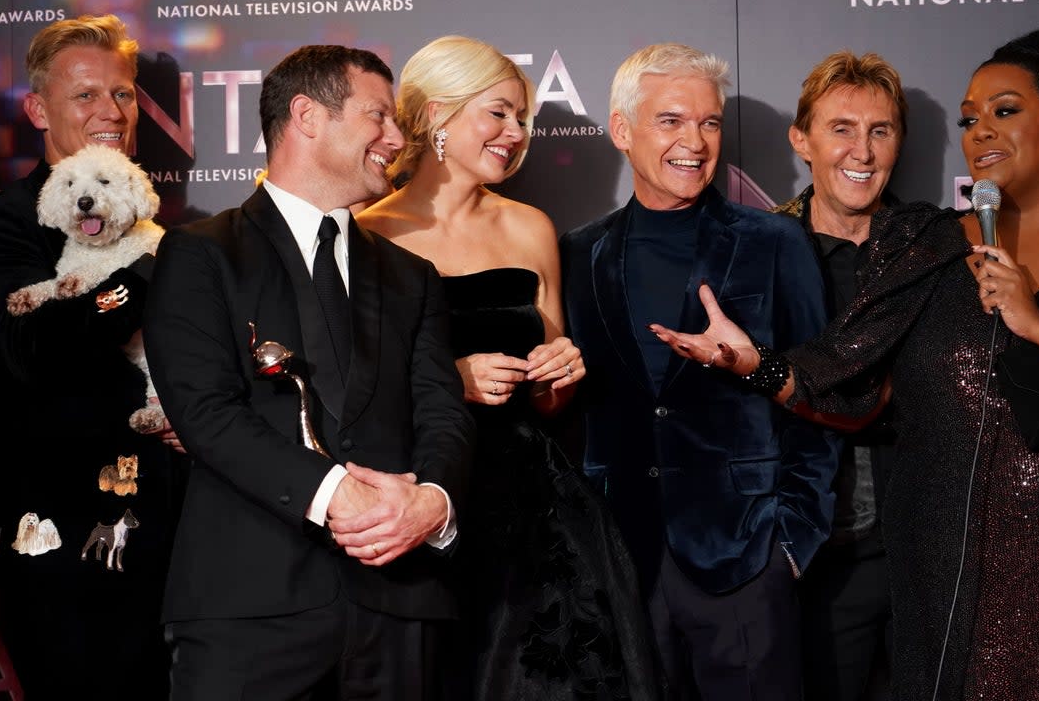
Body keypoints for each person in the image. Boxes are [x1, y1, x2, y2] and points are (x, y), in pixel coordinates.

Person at [650, 29, 1039, 701]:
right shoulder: (928, 243)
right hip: (955, 575)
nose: (980, 131)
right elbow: (853, 386)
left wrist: (1038, 323)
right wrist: (755, 365)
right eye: (968, 118)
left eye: (1004, 110)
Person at [142, 44, 474, 699]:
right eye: (378, 116)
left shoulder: (413, 278)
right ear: (307, 116)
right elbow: (204, 412)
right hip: (246, 610)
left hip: (398, 605)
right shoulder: (201, 254)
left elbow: (443, 412)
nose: (397, 139)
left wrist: (432, 505)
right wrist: (334, 494)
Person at [357, 34, 663, 700]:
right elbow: (353, 390)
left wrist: (561, 374)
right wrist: (453, 379)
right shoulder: (371, 235)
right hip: (431, 502)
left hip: (539, 513)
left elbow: (552, 406)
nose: (515, 133)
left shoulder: (530, 227)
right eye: (498, 113)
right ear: (438, 113)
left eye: (522, 117)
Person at [559, 42, 839, 699]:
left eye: (710, 123)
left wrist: (791, 541)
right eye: (672, 121)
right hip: (622, 561)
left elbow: (821, 394)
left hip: (745, 558)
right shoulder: (578, 253)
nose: (696, 141)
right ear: (622, 130)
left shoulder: (776, 242)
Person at [0, 13, 183, 698]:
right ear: (38, 109)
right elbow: (33, 349)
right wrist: (135, 279)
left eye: (124, 94)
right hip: (63, 540)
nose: (111, 110)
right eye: (86, 96)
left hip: (167, 540)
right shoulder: (13, 219)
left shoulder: (164, 227)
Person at [772, 51, 905, 701]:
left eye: (880, 130)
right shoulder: (758, 254)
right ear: (802, 140)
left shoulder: (933, 248)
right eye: (842, 128)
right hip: (813, 552)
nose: (863, 150)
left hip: (924, 550)